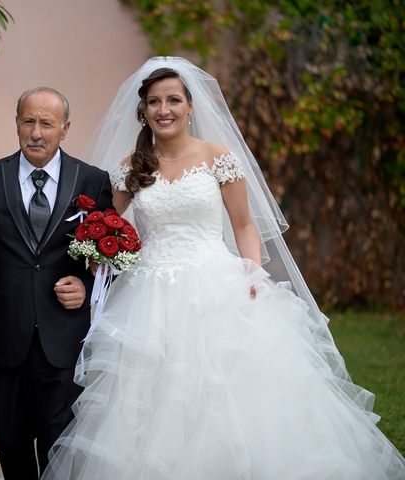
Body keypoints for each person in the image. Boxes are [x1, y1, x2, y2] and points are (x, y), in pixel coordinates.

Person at [41, 57, 405, 479]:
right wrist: (100, 252)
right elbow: (115, 230)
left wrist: (253, 274)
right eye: (155, 102)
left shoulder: (218, 158)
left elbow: (245, 225)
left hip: (215, 286)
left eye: (173, 100)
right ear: (143, 110)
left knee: (229, 398)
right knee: (148, 405)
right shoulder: (129, 169)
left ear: (190, 106)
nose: (164, 110)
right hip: (147, 297)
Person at [0, 86, 113, 479]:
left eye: (46, 124)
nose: (36, 132)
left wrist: (85, 289)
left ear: (64, 129)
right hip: (4, 339)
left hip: (65, 341)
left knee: (60, 447)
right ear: (17, 124)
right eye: (28, 122)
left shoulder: (91, 180)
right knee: (9, 441)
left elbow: (111, 262)